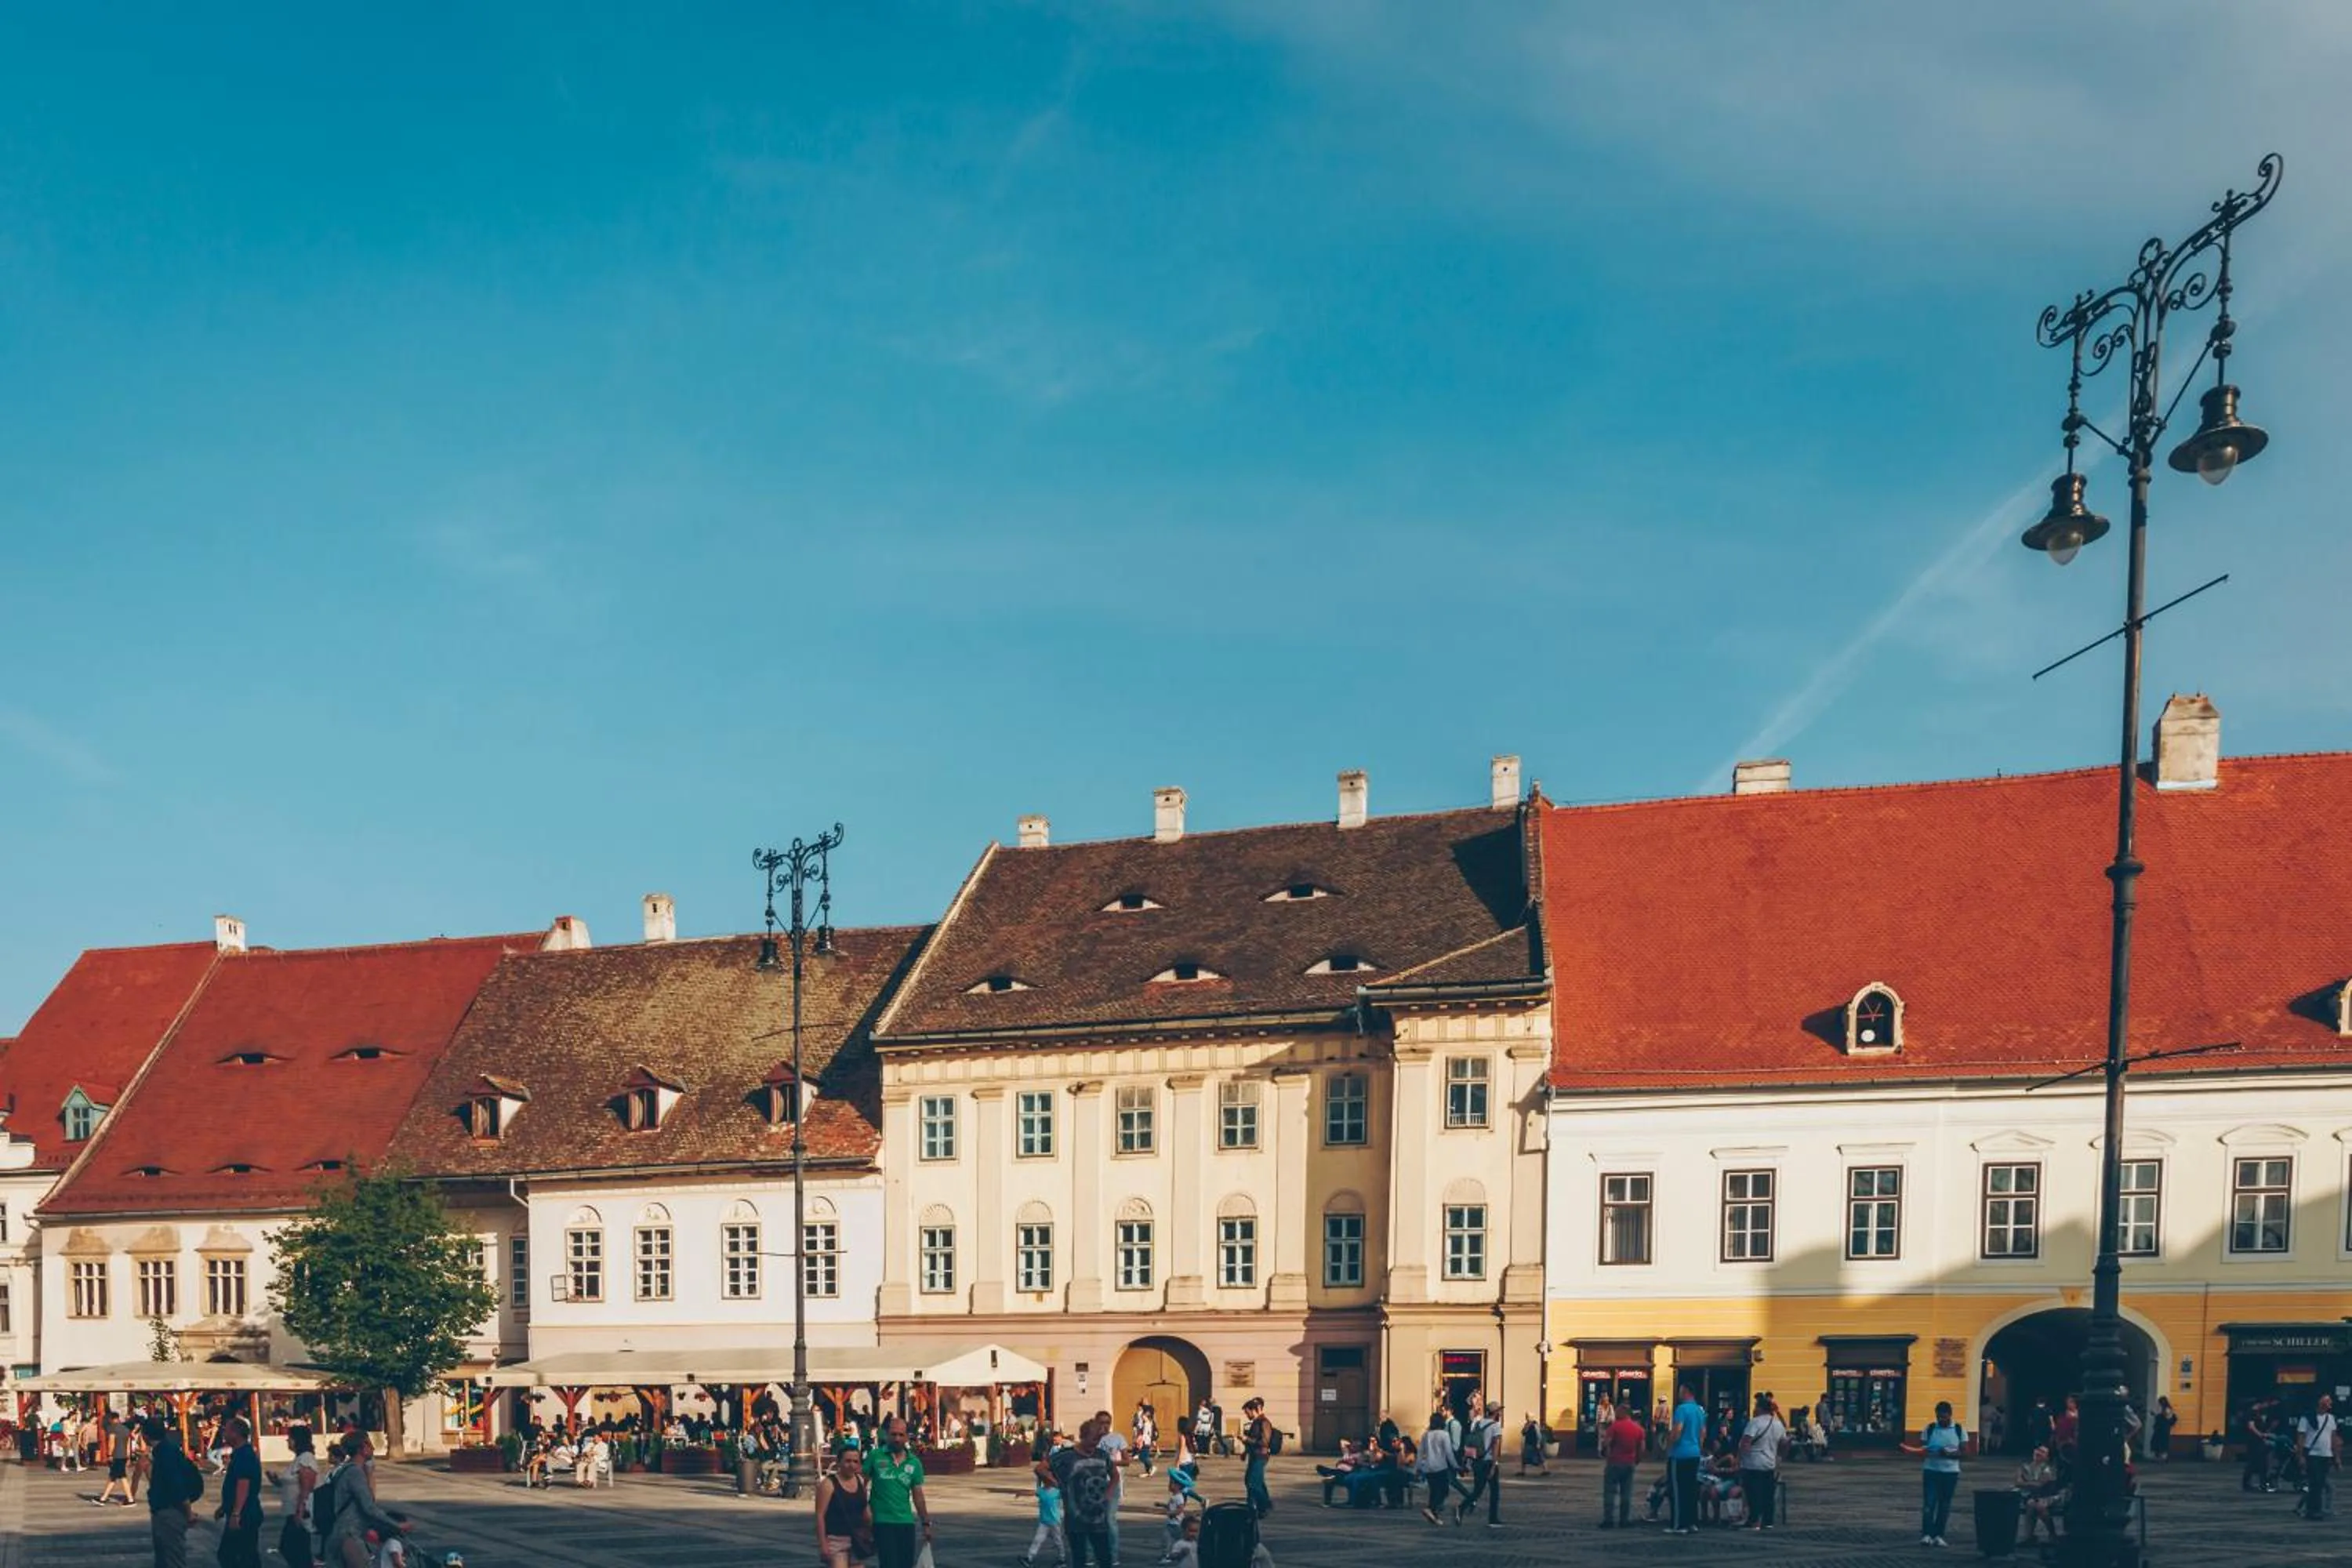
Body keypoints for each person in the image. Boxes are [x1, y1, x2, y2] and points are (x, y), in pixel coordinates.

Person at [320, 1432, 407, 1568]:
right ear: (362, 1448)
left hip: (340, 1532)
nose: (372, 1448)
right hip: (348, 1534)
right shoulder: (354, 1473)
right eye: (369, 1444)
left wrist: (370, 1474)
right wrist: (396, 1525)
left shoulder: (347, 1470)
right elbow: (369, 1507)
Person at [859, 1416, 931, 1568]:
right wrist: (864, 1513)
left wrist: (925, 1523)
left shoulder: (914, 1462)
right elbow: (860, 1486)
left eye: (901, 1435)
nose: (897, 1438)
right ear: (886, 1435)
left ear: (907, 1437)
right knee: (889, 1563)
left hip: (905, 1522)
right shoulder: (875, 1456)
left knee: (905, 1564)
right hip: (881, 1521)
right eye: (893, 1434)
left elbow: (918, 1496)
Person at [1051, 1419, 1116, 1568]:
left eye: (1099, 1439)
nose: (1096, 1442)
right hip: (1076, 1517)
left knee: (1105, 1557)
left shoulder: (1102, 1455)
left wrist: (1109, 1492)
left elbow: (1114, 1474)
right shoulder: (1067, 1455)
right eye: (1093, 1439)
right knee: (1079, 1558)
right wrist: (1059, 1485)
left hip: (1099, 1516)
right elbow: (1041, 1468)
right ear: (1083, 1436)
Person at [1903, 1400, 1965, 1548]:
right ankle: (1927, 1534)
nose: (1941, 1420)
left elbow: (1963, 1451)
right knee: (1929, 1504)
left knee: (1944, 1504)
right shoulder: (1930, 1428)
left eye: (1944, 1417)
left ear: (1950, 1415)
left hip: (1950, 1472)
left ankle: (1939, 1535)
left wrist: (1948, 1452)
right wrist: (1924, 1451)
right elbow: (1923, 1446)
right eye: (1938, 1417)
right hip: (1931, 1470)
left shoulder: (1958, 1429)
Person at [144, 1419, 203, 1568]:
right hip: (166, 1509)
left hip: (169, 1511)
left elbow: (176, 1486)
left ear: (145, 1436)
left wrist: (188, 1512)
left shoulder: (165, 1454)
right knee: (165, 1558)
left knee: (171, 1558)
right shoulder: (167, 1450)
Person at [215, 1416, 264, 1568]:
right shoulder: (239, 1454)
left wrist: (236, 1513)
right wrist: (225, 1507)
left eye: (227, 1431)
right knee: (245, 1554)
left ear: (236, 1433)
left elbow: (243, 1484)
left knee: (232, 1555)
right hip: (242, 1511)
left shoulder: (244, 1455)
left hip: (246, 1513)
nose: (224, 1434)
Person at [815, 1439, 871, 1568]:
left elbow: (864, 1509)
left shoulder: (860, 1481)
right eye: (847, 1461)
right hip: (836, 1539)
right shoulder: (828, 1484)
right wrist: (823, 1544)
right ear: (839, 1463)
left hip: (857, 1538)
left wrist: (871, 1529)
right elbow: (820, 1516)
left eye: (855, 1461)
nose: (851, 1465)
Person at [1736, 1392, 1786, 1531]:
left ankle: (1754, 1521)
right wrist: (1779, 1458)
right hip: (1769, 1464)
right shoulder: (1777, 1424)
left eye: (1756, 1407)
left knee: (1753, 1493)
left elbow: (1746, 1442)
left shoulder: (1755, 1422)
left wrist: (1739, 1459)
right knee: (1767, 1494)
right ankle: (1768, 1521)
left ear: (1760, 1408)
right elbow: (1784, 1443)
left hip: (1753, 1463)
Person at [275, 1425, 320, 1568]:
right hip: (292, 1511)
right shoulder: (298, 1459)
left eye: (290, 1439)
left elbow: (306, 1486)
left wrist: (300, 1511)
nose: (288, 1442)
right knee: (295, 1548)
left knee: (293, 1548)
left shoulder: (306, 1459)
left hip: (299, 1512)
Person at [1454, 1401, 1503, 1527]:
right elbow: (1495, 1446)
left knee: (1477, 1491)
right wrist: (1494, 1465)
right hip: (1488, 1461)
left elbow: (1471, 1444)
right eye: (1499, 1411)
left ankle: (1461, 1507)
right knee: (1494, 1491)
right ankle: (1493, 1519)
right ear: (1496, 1412)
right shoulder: (1496, 1426)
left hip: (1477, 1461)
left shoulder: (1478, 1423)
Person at [1665, 1383, 1705, 1535]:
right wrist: (1698, 1449)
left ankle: (1678, 1524)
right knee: (1691, 1489)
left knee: (1677, 1491)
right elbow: (1703, 1433)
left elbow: (1677, 1431)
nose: (1679, 1394)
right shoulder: (1699, 1410)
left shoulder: (1682, 1409)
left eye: (1681, 1391)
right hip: (1694, 1454)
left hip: (1680, 1454)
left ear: (1687, 1392)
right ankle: (1692, 1522)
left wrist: (1669, 1447)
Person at [1600, 1399, 1646, 1528]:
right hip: (1629, 1463)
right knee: (1626, 1493)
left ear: (1622, 1412)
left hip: (1614, 1463)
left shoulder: (1614, 1427)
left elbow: (1607, 1443)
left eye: (1617, 1411)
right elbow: (1642, 1447)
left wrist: (1607, 1454)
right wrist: (1637, 1459)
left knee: (1610, 1492)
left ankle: (1608, 1520)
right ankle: (1624, 1520)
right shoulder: (1638, 1429)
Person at [2296, 1392, 2336, 1521]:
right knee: (2316, 1483)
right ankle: (2314, 1510)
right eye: (2327, 1400)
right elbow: (2301, 1437)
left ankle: (2311, 1508)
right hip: (2313, 1455)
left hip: (2326, 1455)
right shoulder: (2307, 1418)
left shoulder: (2330, 1418)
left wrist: (2336, 1457)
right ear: (2319, 1402)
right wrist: (2301, 1456)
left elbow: (2333, 1438)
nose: (2330, 1403)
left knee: (2320, 1483)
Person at [1414, 1408, 1457, 1524]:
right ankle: (1431, 1509)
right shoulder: (1444, 1435)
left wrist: (1418, 1468)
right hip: (1440, 1467)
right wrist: (1456, 1466)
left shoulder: (1426, 1435)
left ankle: (1433, 1516)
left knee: (1434, 1491)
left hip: (1428, 1467)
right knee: (1444, 1490)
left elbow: (1420, 1452)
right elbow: (1449, 1453)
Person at [2015, 1444, 2063, 1544]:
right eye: (2037, 1452)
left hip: (2050, 1496)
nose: (2038, 1454)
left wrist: (2027, 1483)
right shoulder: (2025, 1467)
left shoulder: (2048, 1468)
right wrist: (2032, 1483)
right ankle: (2029, 1536)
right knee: (2031, 1504)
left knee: (2040, 1506)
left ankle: (2052, 1533)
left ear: (2047, 1457)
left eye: (2042, 1453)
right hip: (2033, 1496)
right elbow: (2018, 1483)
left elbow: (2041, 1484)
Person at [1240, 1398, 1276, 1519]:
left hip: (1261, 1455)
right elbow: (1253, 1440)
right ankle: (1261, 1504)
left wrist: (1246, 1440)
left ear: (1254, 1410)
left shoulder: (1264, 1422)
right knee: (1256, 1481)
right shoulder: (1256, 1422)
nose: (1246, 1415)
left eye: (1247, 1412)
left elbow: (1264, 1442)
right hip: (1254, 1455)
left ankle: (1261, 1507)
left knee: (1252, 1482)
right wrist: (1245, 1451)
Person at [1518, 1412, 1549, 1476]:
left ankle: (1546, 1470)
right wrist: (1526, 1427)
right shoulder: (1527, 1424)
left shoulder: (1535, 1425)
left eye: (1527, 1417)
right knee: (1524, 1457)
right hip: (1528, 1443)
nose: (1526, 1418)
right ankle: (1523, 1471)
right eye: (1526, 1416)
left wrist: (1538, 1443)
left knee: (1541, 1457)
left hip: (1535, 1443)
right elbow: (1523, 1432)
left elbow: (1538, 1435)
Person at [2150, 1396, 2177, 1462]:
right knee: (2158, 1441)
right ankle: (2160, 1456)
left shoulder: (2167, 1409)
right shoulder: (2164, 1409)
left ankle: (2163, 1457)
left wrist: (2156, 1415)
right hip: (2161, 1428)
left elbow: (2166, 1417)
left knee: (2162, 1442)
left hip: (2163, 1429)